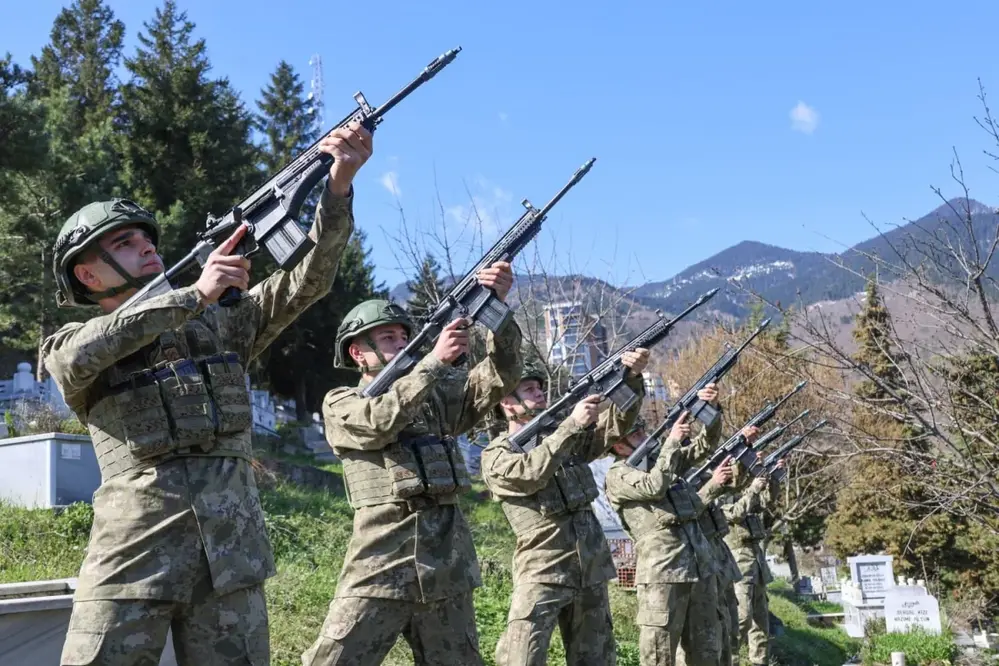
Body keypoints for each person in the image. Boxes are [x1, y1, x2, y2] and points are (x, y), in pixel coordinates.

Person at [41, 122, 372, 665]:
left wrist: (338, 185)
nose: (146, 246)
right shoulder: (72, 345)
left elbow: (308, 280)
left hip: (230, 553)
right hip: (134, 554)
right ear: (89, 276)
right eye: (124, 243)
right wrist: (193, 294)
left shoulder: (222, 324)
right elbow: (93, 347)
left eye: (147, 239)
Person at [302, 277, 523, 665]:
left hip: (446, 568)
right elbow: (377, 421)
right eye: (387, 337)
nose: (401, 343)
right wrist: (433, 363)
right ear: (358, 352)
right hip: (381, 565)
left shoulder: (437, 396)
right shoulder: (341, 402)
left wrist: (496, 311)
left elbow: (502, 374)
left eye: (403, 336)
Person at [481, 349, 649, 665]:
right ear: (507, 402)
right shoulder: (496, 456)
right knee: (522, 656)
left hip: (590, 568)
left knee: (596, 658)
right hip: (543, 571)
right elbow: (531, 473)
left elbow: (616, 426)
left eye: (540, 386)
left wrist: (631, 379)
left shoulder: (566, 440)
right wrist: (570, 426)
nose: (540, 392)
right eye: (529, 388)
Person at [603, 384, 726, 666]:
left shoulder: (662, 462)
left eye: (643, 431)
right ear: (618, 445)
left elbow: (704, 446)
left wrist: (710, 411)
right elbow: (654, 487)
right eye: (635, 434)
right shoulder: (619, 475)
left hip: (699, 567)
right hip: (663, 574)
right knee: (660, 656)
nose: (644, 437)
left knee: (708, 652)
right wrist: (671, 442)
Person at [721, 459, 784, 666]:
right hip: (738, 558)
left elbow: (767, 502)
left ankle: (760, 661)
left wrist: (773, 478)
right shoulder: (718, 492)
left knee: (760, 619)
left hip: (755, 557)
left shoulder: (745, 493)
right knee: (742, 617)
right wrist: (754, 489)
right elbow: (736, 513)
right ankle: (731, 660)